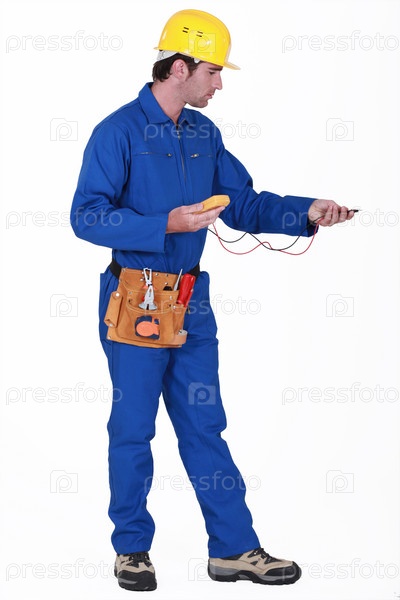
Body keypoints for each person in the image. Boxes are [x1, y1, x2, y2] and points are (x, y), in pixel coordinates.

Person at [70, 8, 355, 592]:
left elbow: (243, 204)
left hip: (191, 301)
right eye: (214, 71)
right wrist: (163, 224)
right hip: (135, 296)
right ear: (180, 67)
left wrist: (304, 211)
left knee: (205, 425)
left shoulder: (204, 135)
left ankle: (234, 549)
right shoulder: (117, 132)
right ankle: (132, 550)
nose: (220, 83)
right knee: (133, 429)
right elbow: (86, 216)